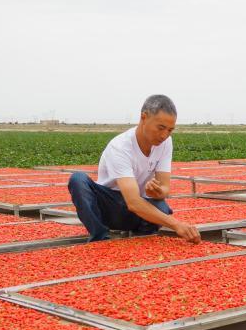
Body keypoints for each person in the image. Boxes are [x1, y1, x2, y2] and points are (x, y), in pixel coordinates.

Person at [68, 94, 201, 243]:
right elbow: (132, 202)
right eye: (161, 128)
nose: (164, 135)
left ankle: (143, 237)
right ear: (143, 118)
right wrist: (176, 224)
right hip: (111, 207)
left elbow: (165, 189)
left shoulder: (165, 143)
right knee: (78, 179)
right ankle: (100, 236)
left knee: (162, 207)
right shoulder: (120, 146)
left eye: (170, 130)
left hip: (138, 208)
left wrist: (156, 192)